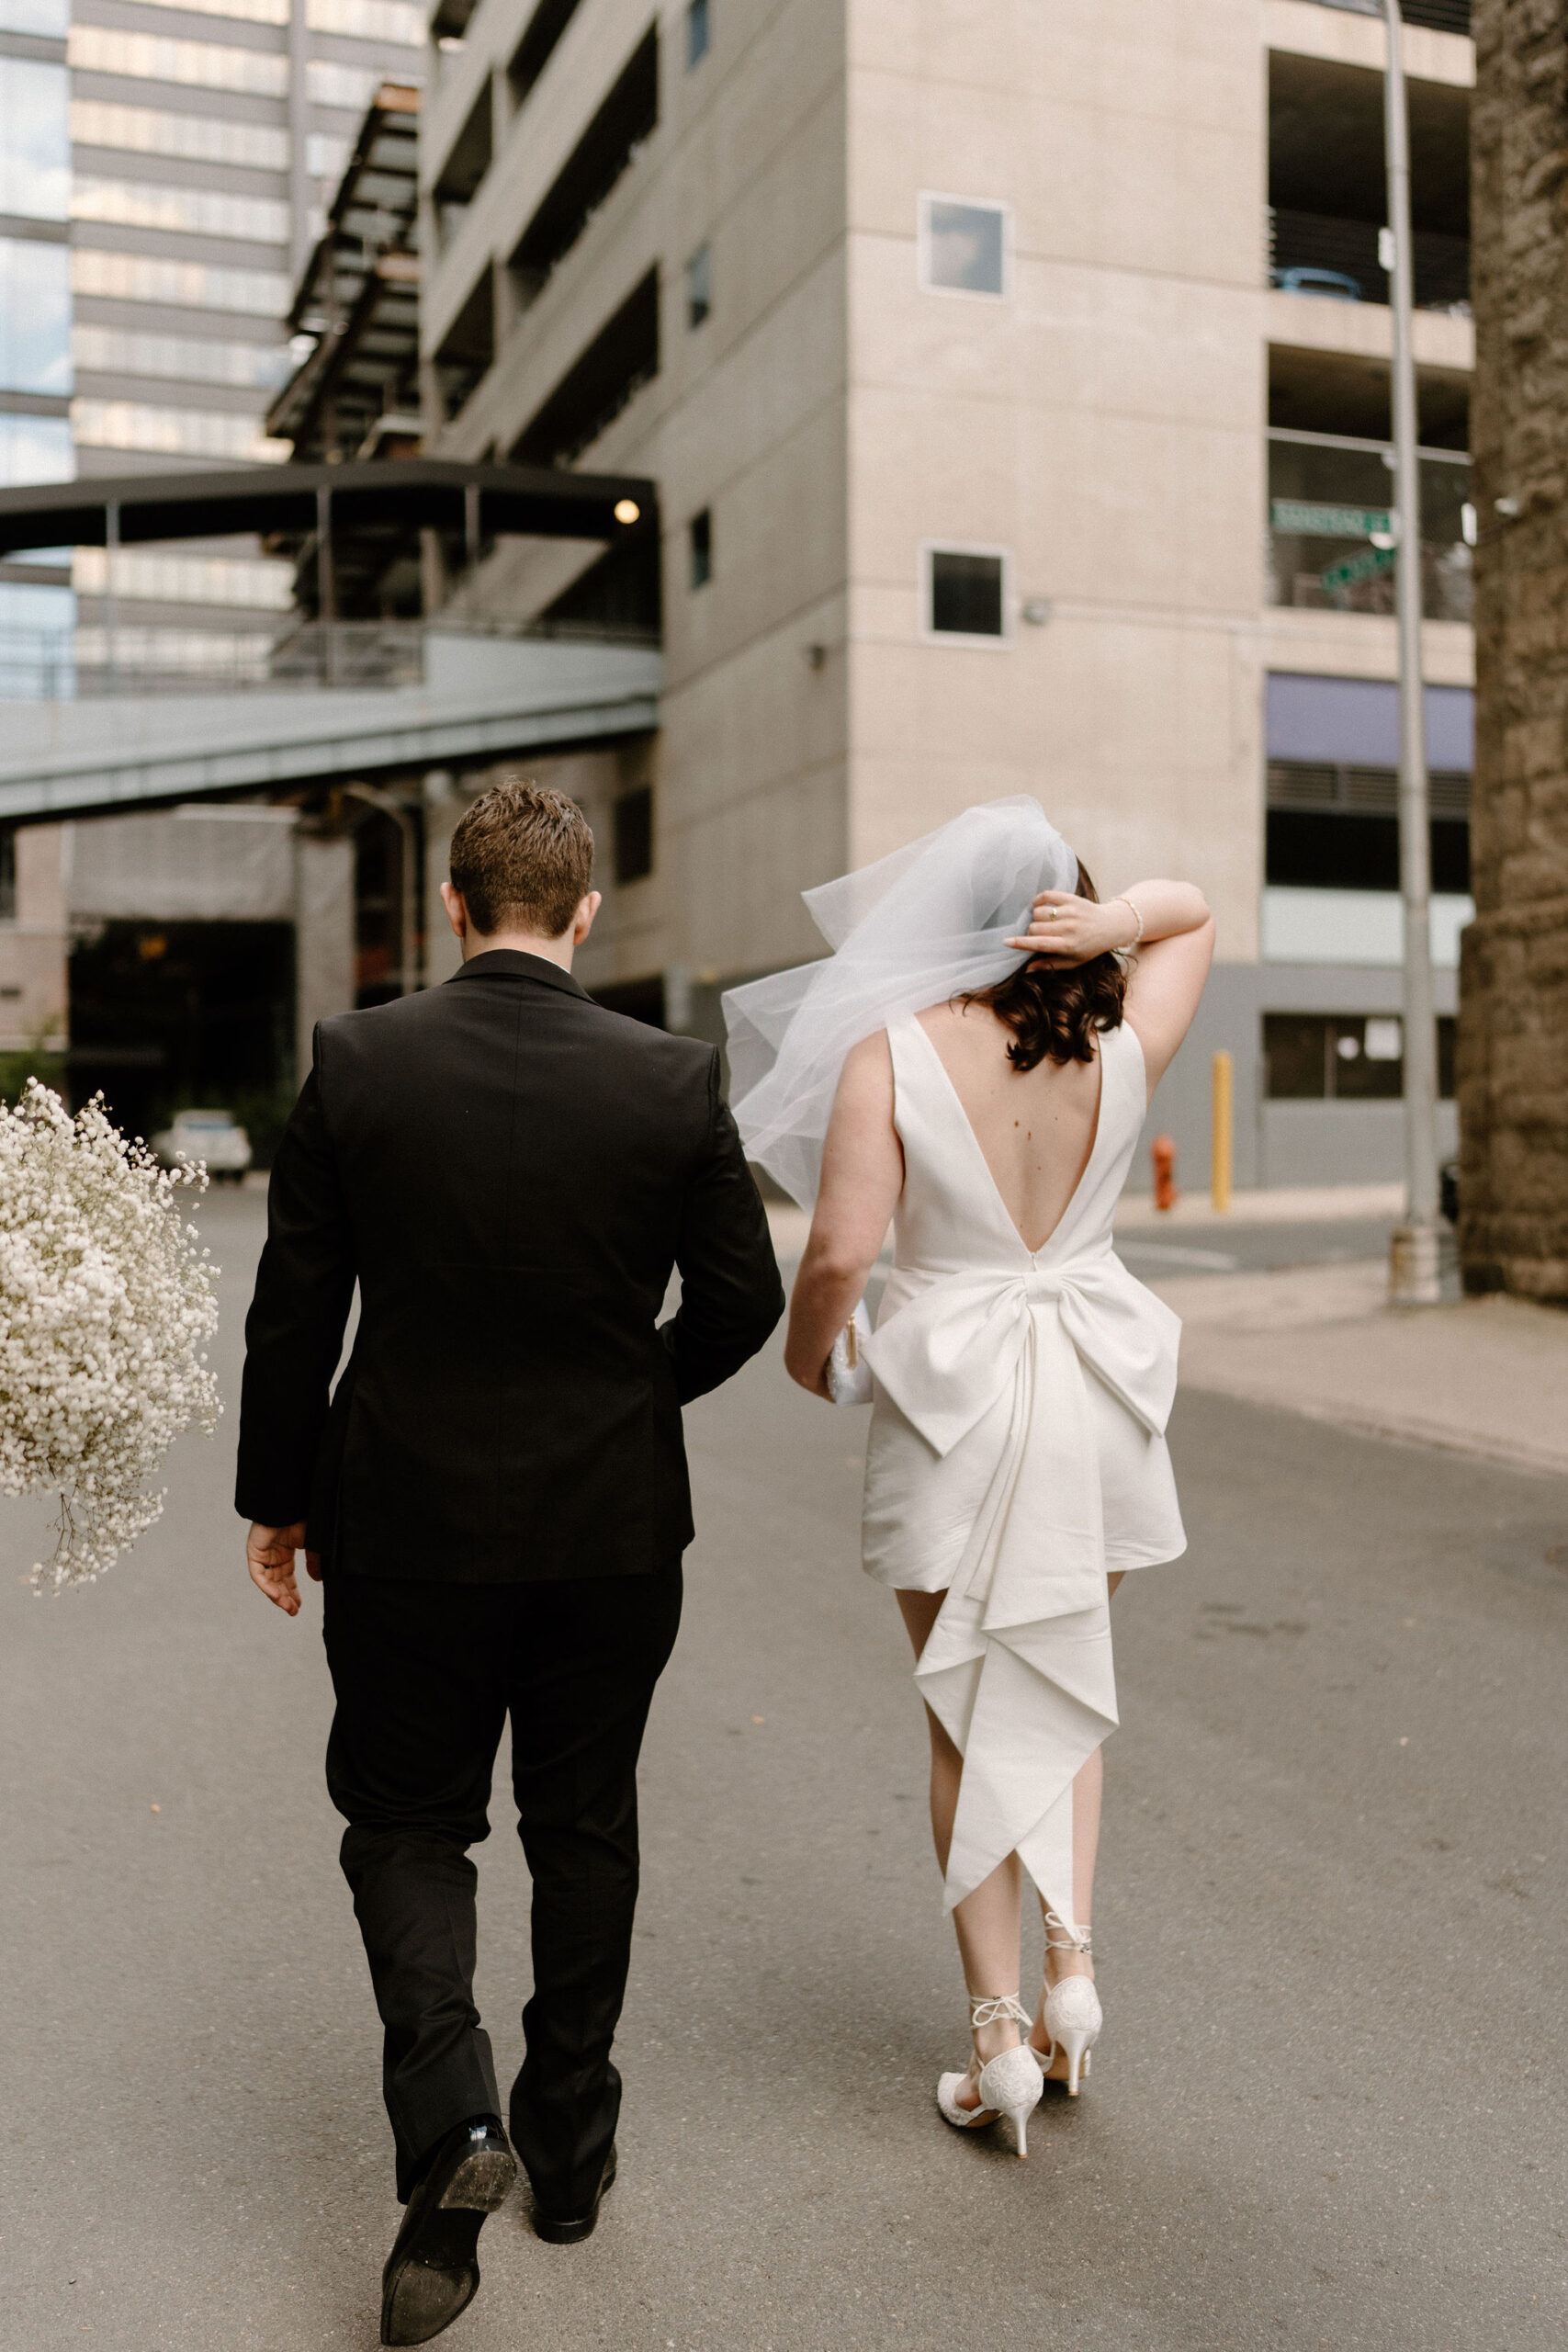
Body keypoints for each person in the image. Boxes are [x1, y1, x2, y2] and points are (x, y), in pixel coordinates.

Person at [236, 781, 784, 2346]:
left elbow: (298, 1310)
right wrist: (626, 1399)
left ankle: (453, 2122)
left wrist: (279, 1499)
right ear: (585, 912)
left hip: (402, 1522)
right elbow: (738, 1304)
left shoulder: (360, 1060)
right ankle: (566, 2159)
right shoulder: (674, 1080)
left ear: (456, 911)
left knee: (407, 1822)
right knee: (583, 1820)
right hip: (610, 1529)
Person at [724, 798, 1212, 2157]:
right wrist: (1123, 922)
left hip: (956, 1404)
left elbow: (834, 1257)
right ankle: (1075, 1969)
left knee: (964, 1714)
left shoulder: (895, 1049)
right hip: (1096, 1394)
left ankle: (997, 2037)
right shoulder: (1122, 1042)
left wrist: (810, 1361)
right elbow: (1196, 915)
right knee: (1065, 1670)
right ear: (1067, 912)